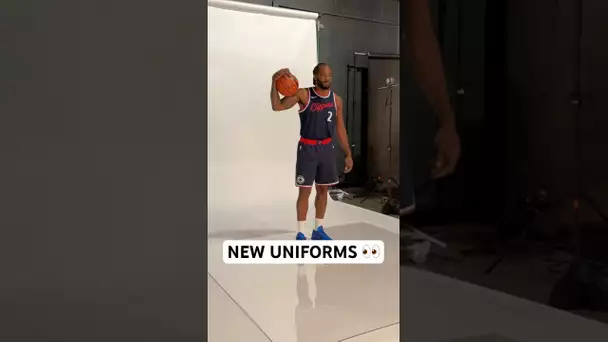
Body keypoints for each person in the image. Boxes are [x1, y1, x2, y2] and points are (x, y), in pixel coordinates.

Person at [270, 63, 352, 240]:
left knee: (323, 191)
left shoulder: (336, 100)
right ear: (315, 76)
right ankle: (300, 232)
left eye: (329, 75)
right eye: (323, 75)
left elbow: (340, 129)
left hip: (326, 149)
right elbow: (277, 106)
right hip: (307, 148)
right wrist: (274, 82)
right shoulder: (303, 94)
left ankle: (318, 230)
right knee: (305, 191)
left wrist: (348, 153)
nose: (327, 79)